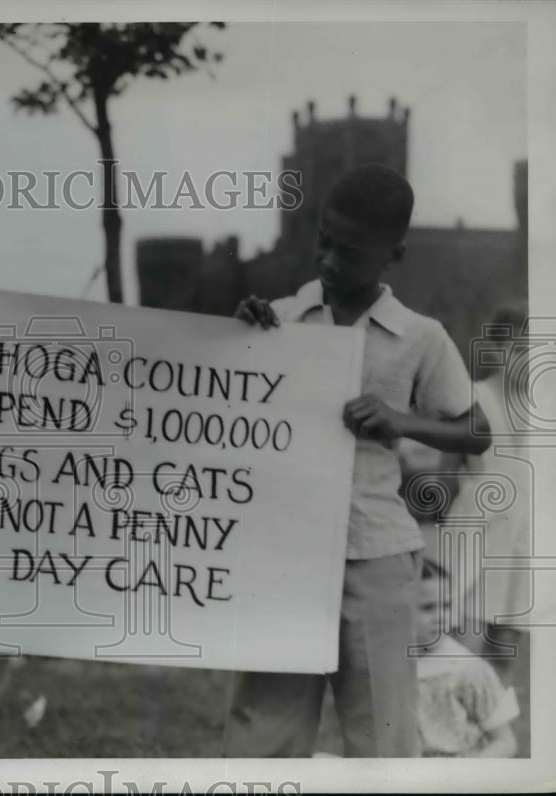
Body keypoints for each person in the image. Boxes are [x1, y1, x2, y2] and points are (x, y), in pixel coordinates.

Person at [224, 163, 491, 757]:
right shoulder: (281, 319)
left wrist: (403, 420)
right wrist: (237, 341)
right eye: (324, 242)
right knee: (264, 731)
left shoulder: (420, 336)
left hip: (375, 556)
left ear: (391, 254)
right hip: (286, 555)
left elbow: (476, 430)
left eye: (350, 252)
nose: (329, 262)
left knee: (383, 737)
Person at [439, 302, 532, 686]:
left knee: (506, 643)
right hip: (478, 526)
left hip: (526, 531)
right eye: (519, 349)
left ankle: (488, 739)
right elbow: (444, 475)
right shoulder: (471, 398)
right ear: (496, 350)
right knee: (466, 642)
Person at [415, 559, 519, 757]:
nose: (440, 616)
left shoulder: (467, 669)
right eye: (427, 607)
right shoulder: (388, 666)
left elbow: (505, 742)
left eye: (445, 606)